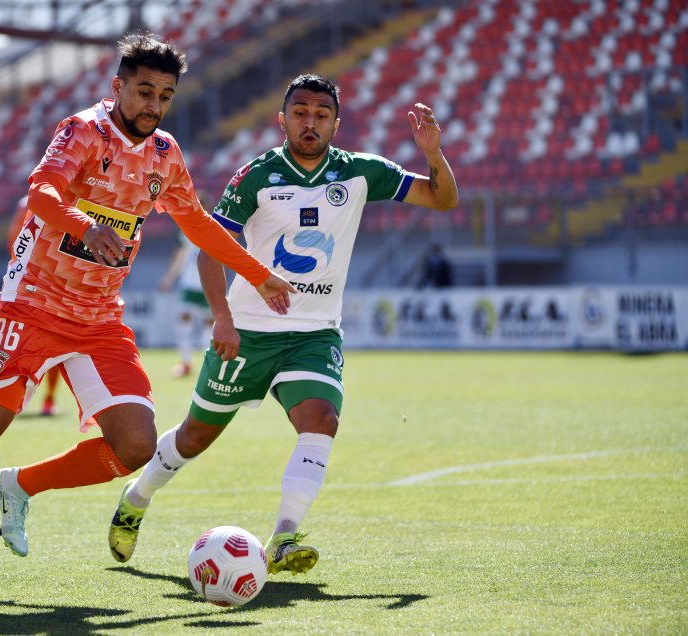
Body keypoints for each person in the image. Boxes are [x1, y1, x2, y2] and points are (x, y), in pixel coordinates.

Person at [0, 33, 295, 607]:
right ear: (118, 87)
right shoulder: (83, 131)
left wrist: (257, 273)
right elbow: (41, 193)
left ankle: (18, 486)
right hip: (31, 305)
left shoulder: (165, 154)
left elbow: (199, 224)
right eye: (143, 90)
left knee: (134, 446)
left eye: (165, 95)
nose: (153, 104)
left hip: (99, 319)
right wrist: (84, 225)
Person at [107, 74, 459, 576]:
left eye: (320, 114)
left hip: (315, 333)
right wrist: (223, 319)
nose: (309, 122)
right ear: (283, 119)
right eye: (300, 112)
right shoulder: (255, 176)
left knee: (321, 420)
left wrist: (433, 153)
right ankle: (136, 498)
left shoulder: (362, 172)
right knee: (194, 437)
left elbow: (441, 199)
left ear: (336, 123)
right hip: (248, 331)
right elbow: (211, 249)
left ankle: (285, 536)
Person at [8, 195, 62, 415]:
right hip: (57, 285)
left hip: (30, 281)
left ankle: (15, 397)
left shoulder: (25, 203)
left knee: (25, 342)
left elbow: (14, 240)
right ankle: (48, 400)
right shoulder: (67, 202)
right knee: (57, 344)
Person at [159, 230, 213, 378]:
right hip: (189, 285)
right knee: (185, 322)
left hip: (208, 285)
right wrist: (169, 278)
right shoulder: (185, 231)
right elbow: (180, 255)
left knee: (209, 326)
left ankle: (207, 365)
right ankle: (186, 363)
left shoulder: (213, 227)